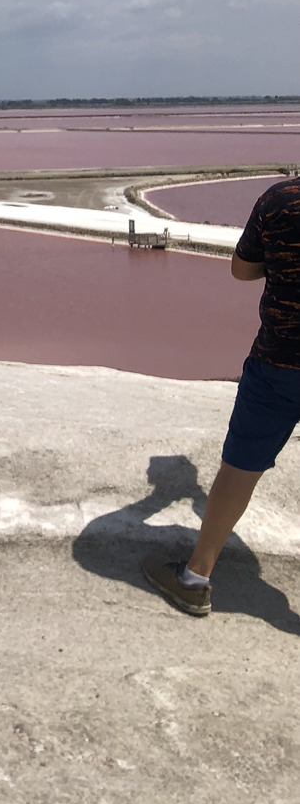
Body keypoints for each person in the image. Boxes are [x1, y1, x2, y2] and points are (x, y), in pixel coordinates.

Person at [143, 173, 300, 617]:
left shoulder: (282, 198)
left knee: (240, 468)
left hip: (279, 363)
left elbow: (242, 269)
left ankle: (195, 578)